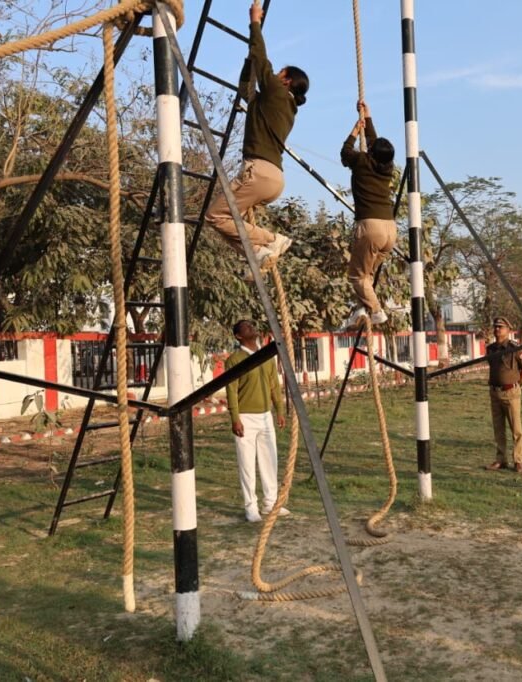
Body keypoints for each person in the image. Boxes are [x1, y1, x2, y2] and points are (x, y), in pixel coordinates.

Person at [205, 2, 309, 276]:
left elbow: (263, 60)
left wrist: (254, 23)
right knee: (228, 221)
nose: (274, 76)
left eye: (279, 74)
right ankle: (259, 253)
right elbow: (246, 89)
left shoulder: (275, 92)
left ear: (285, 81)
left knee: (215, 216)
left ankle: (272, 240)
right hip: (272, 177)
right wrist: (248, 60)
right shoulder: (276, 105)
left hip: (258, 172)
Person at [225, 319, 289, 522]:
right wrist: (235, 418)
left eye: (252, 325)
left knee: (270, 460)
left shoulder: (266, 356)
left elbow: (273, 386)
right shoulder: (234, 360)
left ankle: (271, 503)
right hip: (245, 417)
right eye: (246, 326)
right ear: (238, 336)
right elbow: (232, 391)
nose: (251, 327)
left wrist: (279, 410)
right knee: (247, 463)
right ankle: (250, 506)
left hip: (265, 416)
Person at [341, 100, 396, 327]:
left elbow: (345, 154)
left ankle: (375, 310)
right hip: (390, 231)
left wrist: (355, 131)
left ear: (371, 153)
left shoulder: (362, 161)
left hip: (370, 227)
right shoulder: (387, 166)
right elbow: (375, 144)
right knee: (368, 276)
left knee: (356, 276)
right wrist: (369, 118)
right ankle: (363, 307)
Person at [484, 317, 522, 473]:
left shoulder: (514, 348)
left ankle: (518, 460)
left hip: (511, 392)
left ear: (508, 330)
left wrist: (516, 385)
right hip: (495, 392)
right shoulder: (490, 349)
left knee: (516, 429)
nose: (497, 329)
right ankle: (501, 459)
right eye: (495, 327)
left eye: (501, 327)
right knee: (498, 429)